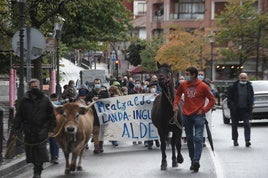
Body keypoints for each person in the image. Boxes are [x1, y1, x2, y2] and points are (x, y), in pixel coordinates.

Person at [173, 66, 215, 172]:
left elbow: (212, 99)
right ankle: (193, 161)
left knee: (198, 138)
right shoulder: (183, 85)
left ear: (194, 75)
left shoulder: (203, 86)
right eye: (186, 74)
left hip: (198, 116)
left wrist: (204, 109)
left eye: (188, 74)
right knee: (190, 140)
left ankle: (196, 160)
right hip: (186, 116)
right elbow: (177, 95)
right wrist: (176, 104)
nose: (186, 76)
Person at [13, 79, 57, 178]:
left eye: (36, 86)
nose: (35, 88)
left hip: (42, 130)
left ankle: (37, 172)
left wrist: (51, 129)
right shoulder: (24, 100)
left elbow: (51, 116)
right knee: (31, 151)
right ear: (29, 87)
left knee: (40, 151)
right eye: (33, 87)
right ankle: (36, 167)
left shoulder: (45, 99)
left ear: (39, 86)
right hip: (29, 130)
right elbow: (19, 116)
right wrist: (16, 129)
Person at [227, 72, 254, 147]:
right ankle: (235, 140)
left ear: (247, 78)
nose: (243, 79)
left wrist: (251, 105)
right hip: (235, 110)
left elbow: (251, 96)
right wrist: (232, 106)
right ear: (239, 78)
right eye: (242, 78)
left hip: (246, 109)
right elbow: (229, 98)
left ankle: (247, 140)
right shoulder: (233, 86)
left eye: (245, 78)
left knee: (247, 124)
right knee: (234, 126)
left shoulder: (249, 86)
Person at [85, 78, 109, 154]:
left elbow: (108, 101)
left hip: (103, 114)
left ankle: (101, 145)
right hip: (94, 114)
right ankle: (96, 146)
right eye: (95, 83)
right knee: (96, 131)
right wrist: (88, 102)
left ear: (101, 83)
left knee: (102, 131)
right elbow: (86, 100)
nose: (97, 84)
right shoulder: (91, 93)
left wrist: (99, 98)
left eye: (98, 83)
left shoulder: (105, 93)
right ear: (93, 84)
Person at [49, 93, 61, 164]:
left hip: (50, 125)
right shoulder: (60, 105)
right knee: (54, 141)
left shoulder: (48, 105)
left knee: (52, 141)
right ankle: (55, 156)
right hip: (56, 125)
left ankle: (53, 156)